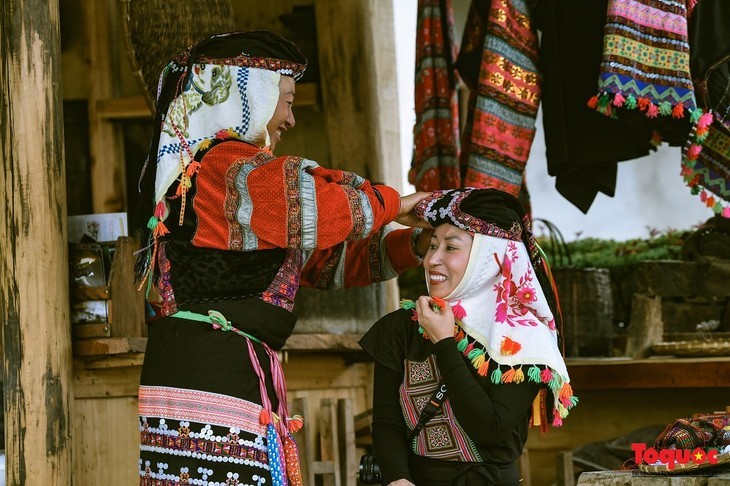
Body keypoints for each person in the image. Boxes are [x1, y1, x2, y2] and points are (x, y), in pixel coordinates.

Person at [133, 30, 430, 486]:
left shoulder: (225, 178)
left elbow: (325, 261)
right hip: (211, 373)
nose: (290, 119)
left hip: (216, 367)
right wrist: (400, 203)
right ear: (250, 95)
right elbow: (322, 211)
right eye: (286, 100)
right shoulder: (224, 169)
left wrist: (413, 246)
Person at [359, 188, 578, 486]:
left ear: (488, 258)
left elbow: (490, 427)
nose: (431, 260)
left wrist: (445, 343)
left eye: (450, 248)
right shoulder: (402, 327)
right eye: (432, 245)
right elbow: (386, 421)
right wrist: (398, 479)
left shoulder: (525, 338)